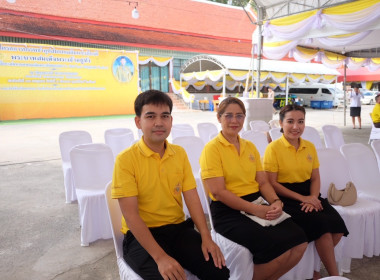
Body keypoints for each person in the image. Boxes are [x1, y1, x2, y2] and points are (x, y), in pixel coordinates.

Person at [112, 90, 229, 280]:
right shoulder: (125, 160)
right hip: (142, 236)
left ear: (171, 121)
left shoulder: (179, 153)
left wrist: (206, 237)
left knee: (219, 271)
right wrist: (160, 258)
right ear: (138, 122)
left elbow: (192, 198)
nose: (159, 122)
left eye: (164, 116)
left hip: (178, 230)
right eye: (150, 116)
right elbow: (131, 215)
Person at [199, 97, 308, 280]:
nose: (235, 121)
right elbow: (218, 192)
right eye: (229, 116)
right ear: (219, 118)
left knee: (300, 241)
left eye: (239, 116)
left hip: (256, 203)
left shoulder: (250, 147)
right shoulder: (212, 149)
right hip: (228, 212)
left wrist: (275, 201)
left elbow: (263, 183)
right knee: (277, 248)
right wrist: (255, 210)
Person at [263, 104, 349, 278]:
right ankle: (333, 276)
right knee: (322, 229)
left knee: (338, 229)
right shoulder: (273, 148)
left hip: (309, 193)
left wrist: (312, 197)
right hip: (285, 197)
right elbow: (272, 183)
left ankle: (314, 268)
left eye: (300, 121)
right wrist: (303, 198)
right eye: (290, 121)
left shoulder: (309, 146)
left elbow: (315, 178)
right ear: (281, 123)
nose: (296, 127)